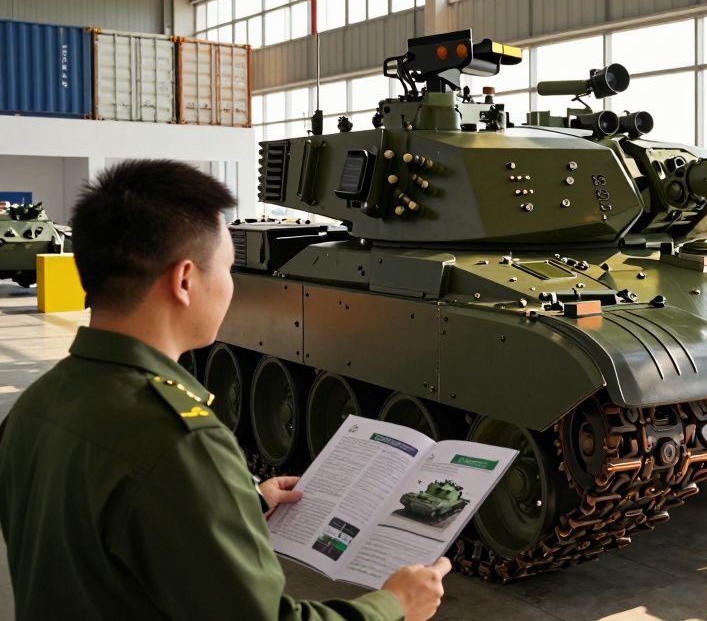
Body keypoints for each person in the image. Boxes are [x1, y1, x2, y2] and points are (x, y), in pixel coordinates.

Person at [0, 160, 450, 621]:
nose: (231, 288)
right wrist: (393, 605)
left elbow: (106, 536)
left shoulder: (35, 407)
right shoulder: (181, 442)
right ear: (185, 280)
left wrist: (237, 502)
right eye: (229, 270)